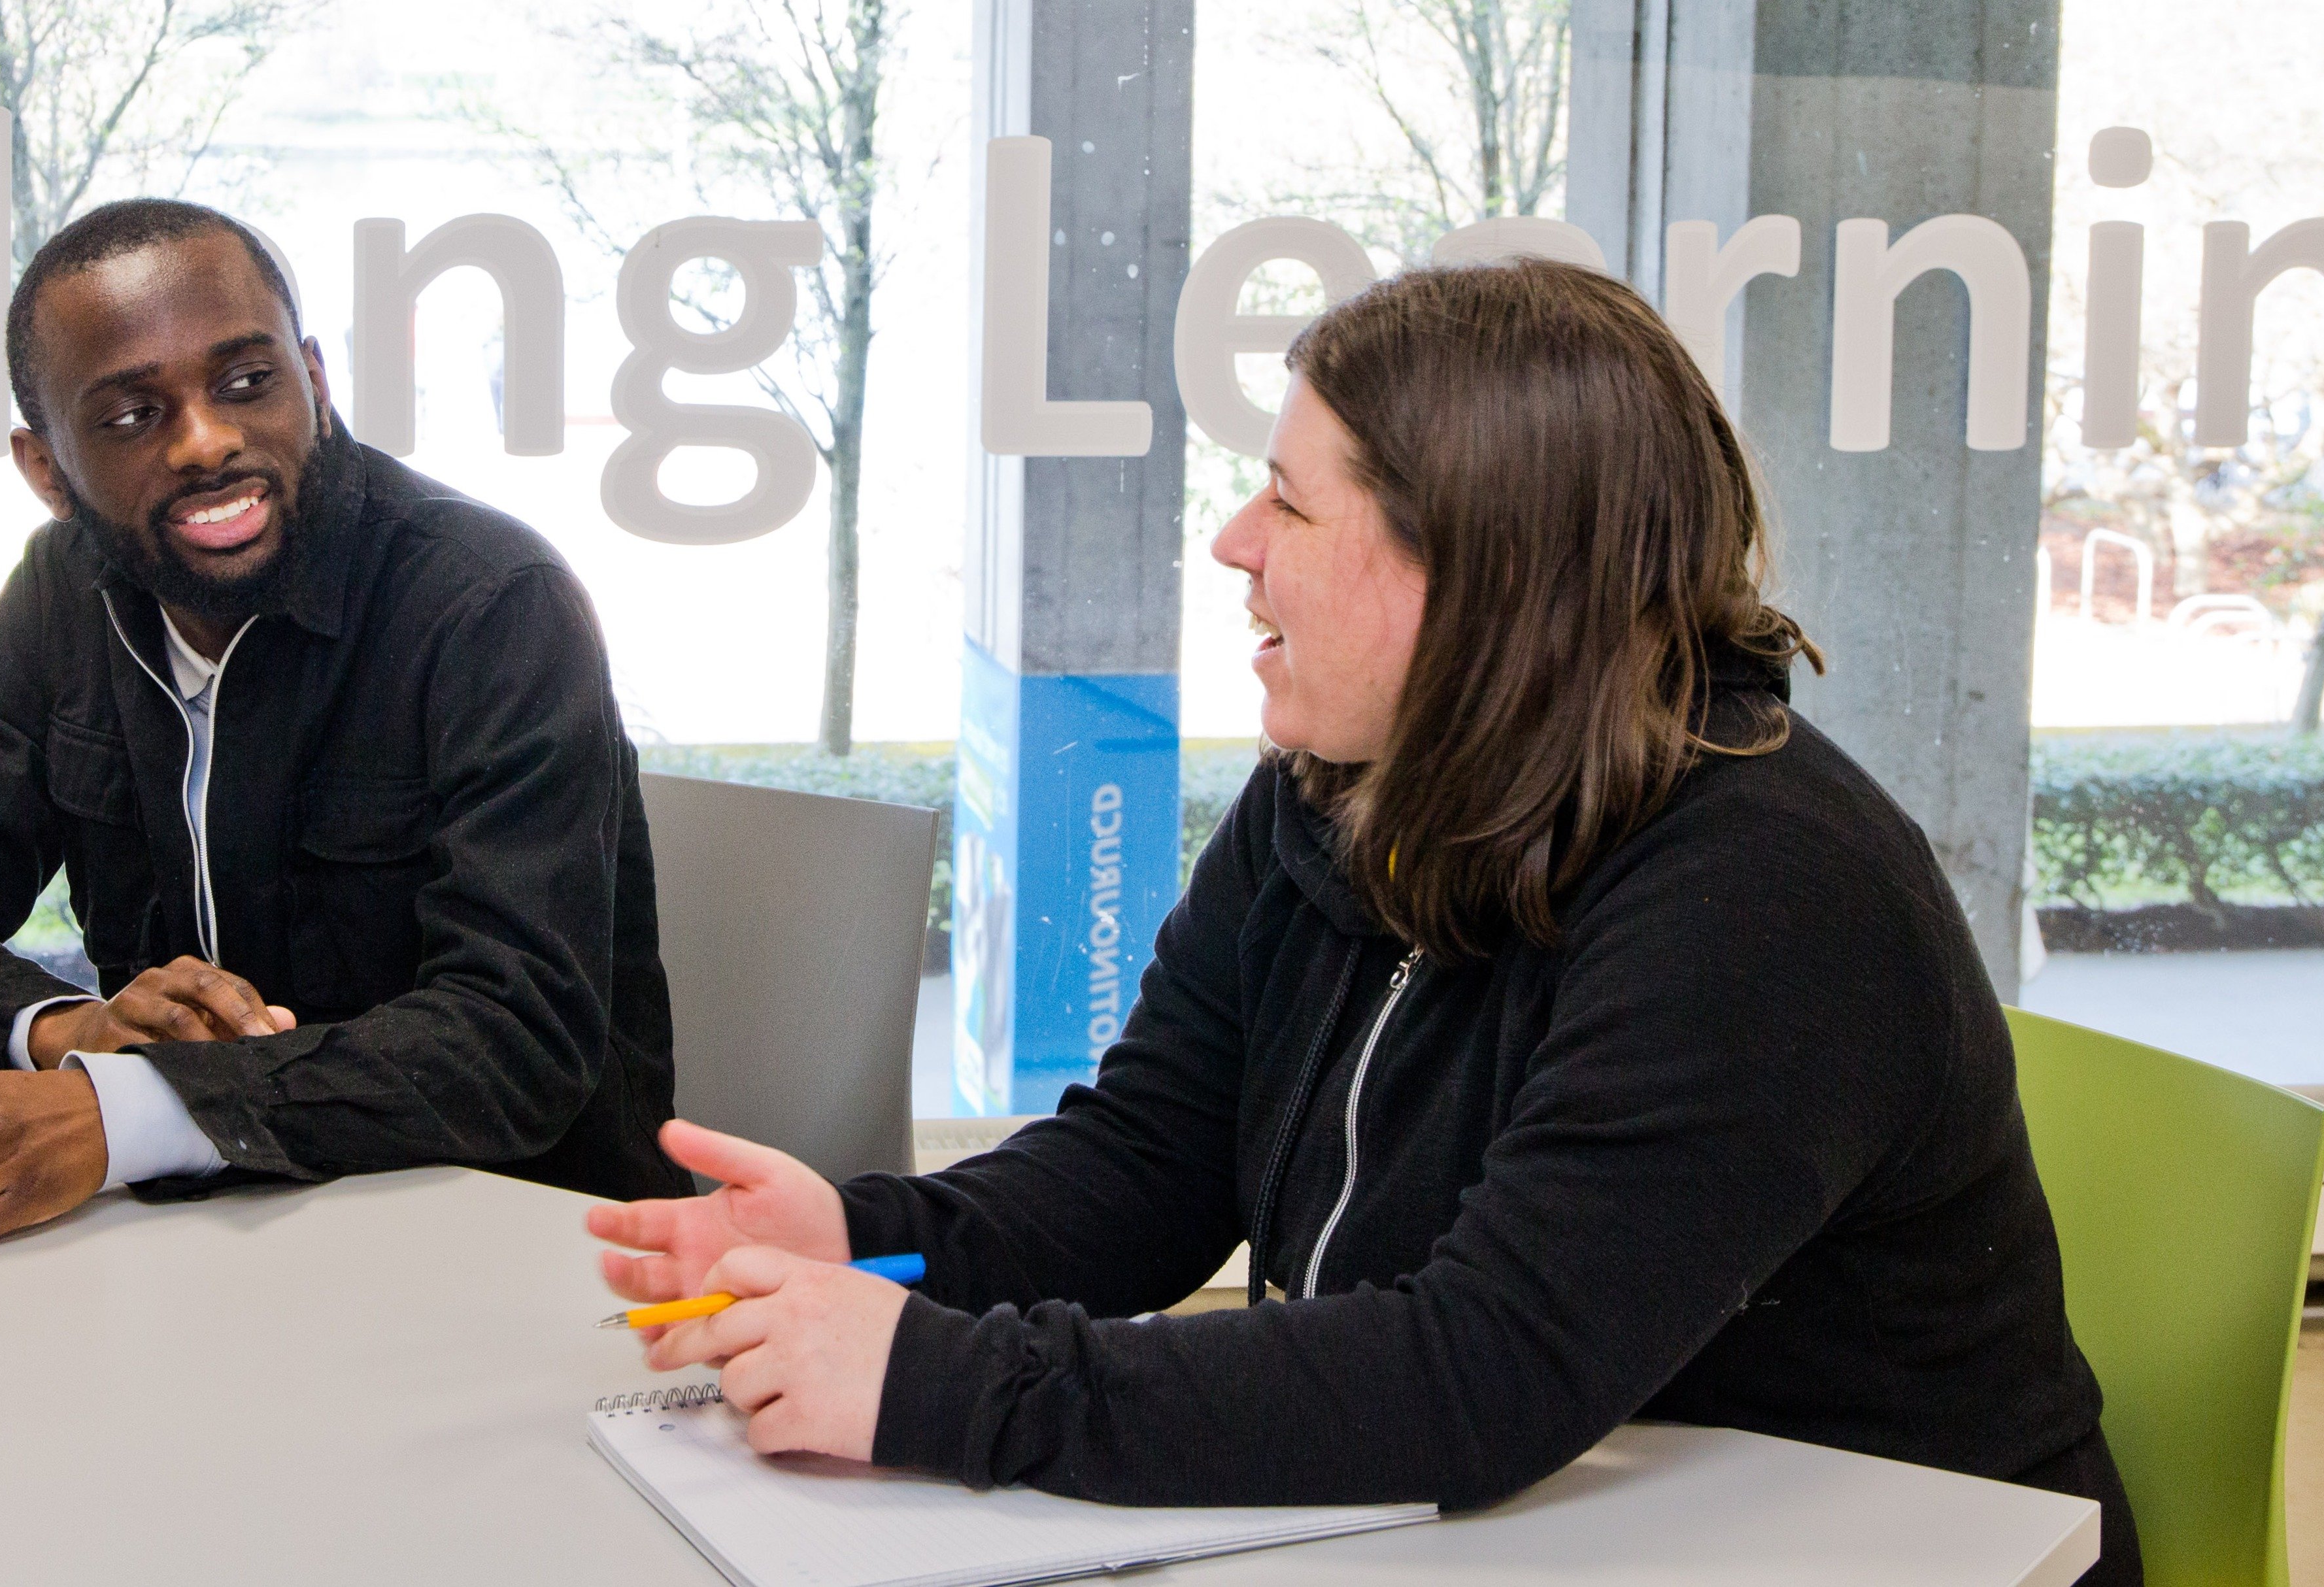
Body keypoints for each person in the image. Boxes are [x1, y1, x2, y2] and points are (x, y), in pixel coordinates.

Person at [589, 259, 2140, 1582]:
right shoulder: (1339, 780)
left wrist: (946, 1381)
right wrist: (874, 1239)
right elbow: (1152, 1163)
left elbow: (1482, 1371)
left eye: (1288, 502)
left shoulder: (1769, 895)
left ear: (1474, 578)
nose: (1234, 546)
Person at [0, 197, 682, 1244]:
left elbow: (515, 1042)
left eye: (246, 383)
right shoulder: (64, 595)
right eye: (132, 416)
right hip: (199, 1241)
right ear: (47, 471)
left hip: (499, 1245)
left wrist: (133, 1110)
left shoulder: (489, 602)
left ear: (312, 380)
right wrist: (71, 1034)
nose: (208, 442)